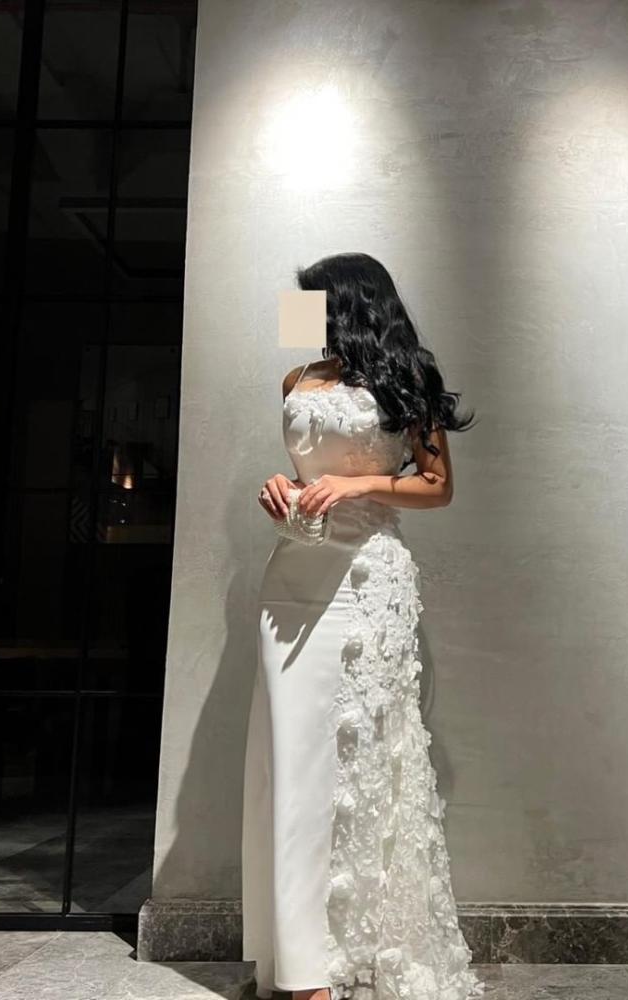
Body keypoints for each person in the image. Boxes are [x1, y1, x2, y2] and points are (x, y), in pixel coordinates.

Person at [241, 253, 485, 1000]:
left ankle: (353, 953)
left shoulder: (407, 376)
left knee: (360, 765)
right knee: (291, 761)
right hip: (292, 576)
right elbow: (301, 471)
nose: (300, 314)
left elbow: (438, 487)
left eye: (311, 302)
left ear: (345, 303)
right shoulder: (294, 378)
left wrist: (360, 484)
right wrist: (280, 489)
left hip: (369, 579)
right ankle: (296, 965)